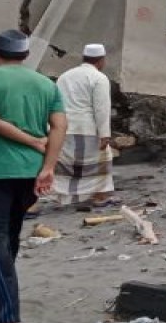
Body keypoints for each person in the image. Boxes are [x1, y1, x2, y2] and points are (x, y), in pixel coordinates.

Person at [0, 29, 66, 323]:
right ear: (25, 55)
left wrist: (32, 140)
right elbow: (60, 126)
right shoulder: (46, 84)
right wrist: (48, 167)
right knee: (8, 236)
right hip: (29, 174)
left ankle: (7, 321)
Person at [39, 42, 114, 208]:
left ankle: (61, 196)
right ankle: (100, 196)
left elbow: (55, 104)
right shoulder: (99, 78)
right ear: (101, 60)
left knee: (66, 164)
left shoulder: (65, 76)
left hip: (62, 127)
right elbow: (101, 108)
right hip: (86, 128)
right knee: (100, 162)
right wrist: (104, 134)